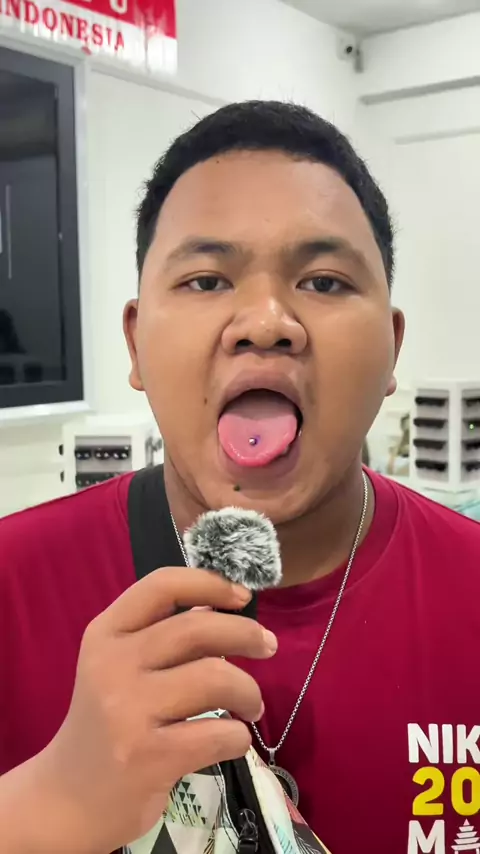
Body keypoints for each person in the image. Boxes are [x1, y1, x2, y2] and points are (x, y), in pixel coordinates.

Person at [1, 100, 479, 854]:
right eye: (205, 280)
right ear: (135, 341)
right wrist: (46, 805)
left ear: (391, 349)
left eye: (324, 282)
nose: (265, 322)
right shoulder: (11, 585)